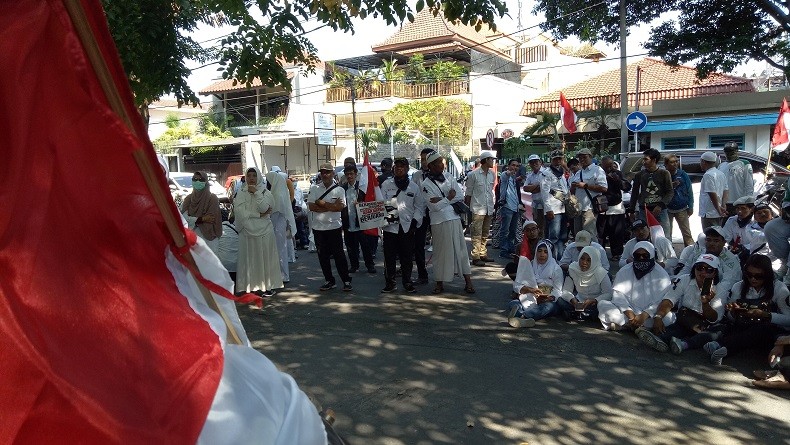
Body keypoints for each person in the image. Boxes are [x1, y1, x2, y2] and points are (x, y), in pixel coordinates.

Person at [704, 254, 790, 365]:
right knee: (728, 328)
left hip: (770, 331)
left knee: (762, 329)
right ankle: (721, 349)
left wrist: (766, 315)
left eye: (758, 276)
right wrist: (733, 312)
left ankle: (723, 347)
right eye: (749, 275)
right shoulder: (738, 287)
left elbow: (788, 320)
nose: (753, 279)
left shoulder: (780, 289)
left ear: (767, 275)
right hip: (743, 326)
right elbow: (731, 318)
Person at [635, 254, 726, 354]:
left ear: (715, 273)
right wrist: (658, 317)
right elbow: (669, 300)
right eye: (700, 268)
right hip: (687, 319)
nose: (703, 272)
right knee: (676, 327)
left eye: (709, 270)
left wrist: (705, 304)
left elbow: (713, 318)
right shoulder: (684, 280)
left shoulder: (720, 290)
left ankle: (683, 344)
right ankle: (660, 339)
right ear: (694, 268)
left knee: (712, 334)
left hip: (706, 325)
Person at [421, 151, 475, 294]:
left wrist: (442, 199)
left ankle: (468, 281)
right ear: (431, 165)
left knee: (461, 251)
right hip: (439, 222)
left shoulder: (449, 176)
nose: (442, 164)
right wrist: (447, 198)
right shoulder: (425, 184)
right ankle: (439, 283)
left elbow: (459, 195)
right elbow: (434, 206)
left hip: (454, 219)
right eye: (439, 162)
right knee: (440, 252)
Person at [598, 242, 671, 331]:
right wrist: (630, 314)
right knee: (602, 305)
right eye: (637, 255)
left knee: (670, 317)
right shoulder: (625, 270)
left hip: (649, 315)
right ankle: (640, 327)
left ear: (652, 256)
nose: (641, 258)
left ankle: (626, 325)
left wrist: (645, 315)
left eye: (645, 256)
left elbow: (662, 300)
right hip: (628, 312)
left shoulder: (662, 274)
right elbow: (618, 295)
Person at [234, 167, 282, 296]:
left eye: (254, 175)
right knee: (250, 259)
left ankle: (267, 286)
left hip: (264, 230)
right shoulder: (241, 192)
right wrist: (257, 215)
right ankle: (250, 286)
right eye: (248, 175)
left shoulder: (266, 193)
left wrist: (256, 192)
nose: (251, 178)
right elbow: (239, 212)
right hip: (247, 231)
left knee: (265, 259)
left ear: (259, 177)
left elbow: (265, 208)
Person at [380, 157, 423, 293]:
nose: (399, 168)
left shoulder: (414, 187)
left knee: (407, 257)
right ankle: (390, 283)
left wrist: (414, 223)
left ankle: (407, 281)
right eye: (397, 166)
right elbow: (380, 204)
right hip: (390, 227)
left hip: (407, 227)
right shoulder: (386, 185)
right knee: (389, 257)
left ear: (407, 169)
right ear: (393, 168)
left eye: (402, 166)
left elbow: (419, 207)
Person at [307, 163, 352, 292]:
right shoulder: (314, 188)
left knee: (339, 256)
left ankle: (346, 280)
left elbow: (340, 207)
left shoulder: (340, 190)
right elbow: (311, 207)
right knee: (323, 257)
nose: (325, 175)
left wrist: (322, 203)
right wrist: (331, 206)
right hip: (318, 229)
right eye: (323, 172)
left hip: (334, 228)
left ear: (333, 173)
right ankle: (329, 280)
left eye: (327, 172)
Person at [506, 241, 565, 328]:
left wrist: (548, 298)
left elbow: (558, 290)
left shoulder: (556, 269)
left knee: (548, 307)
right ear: (536, 253)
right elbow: (517, 285)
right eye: (539, 251)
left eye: (545, 252)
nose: (542, 254)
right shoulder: (530, 265)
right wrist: (531, 290)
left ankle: (523, 317)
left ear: (549, 254)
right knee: (513, 303)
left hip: (548, 301)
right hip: (530, 297)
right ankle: (522, 316)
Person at [559, 246, 613, 321]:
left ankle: (577, 314)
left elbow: (608, 294)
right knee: (560, 300)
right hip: (579, 301)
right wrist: (573, 300)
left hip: (595, 303)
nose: (584, 262)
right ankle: (586, 315)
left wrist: (594, 300)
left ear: (594, 261)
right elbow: (566, 291)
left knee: (604, 306)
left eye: (588, 260)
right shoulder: (573, 269)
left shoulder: (601, 272)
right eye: (582, 258)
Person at [628, 148, 673, 237]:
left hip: (660, 210)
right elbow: (635, 193)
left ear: (654, 160)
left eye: (646, 159)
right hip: (644, 210)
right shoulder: (639, 175)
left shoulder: (664, 173)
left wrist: (660, 205)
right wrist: (631, 210)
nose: (643, 162)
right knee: (643, 235)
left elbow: (670, 192)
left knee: (664, 236)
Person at [341, 165, 377, 274]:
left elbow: (370, 201)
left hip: (360, 222)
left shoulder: (361, 187)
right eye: (347, 174)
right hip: (348, 221)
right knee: (351, 247)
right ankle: (354, 265)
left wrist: (362, 204)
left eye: (351, 174)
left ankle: (370, 265)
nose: (349, 176)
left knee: (365, 246)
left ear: (356, 174)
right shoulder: (343, 188)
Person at [465, 150, 497, 266]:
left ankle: (483, 253)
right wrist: (467, 209)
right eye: (491, 159)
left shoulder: (492, 174)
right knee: (476, 233)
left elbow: (490, 190)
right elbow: (468, 193)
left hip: (488, 207)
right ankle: (475, 256)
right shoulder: (473, 175)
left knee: (485, 232)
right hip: (477, 208)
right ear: (485, 160)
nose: (493, 161)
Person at [569, 148, 607, 243]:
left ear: (590, 157)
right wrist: (573, 188)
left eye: (584, 157)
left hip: (590, 208)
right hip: (578, 209)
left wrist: (585, 185)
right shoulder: (578, 172)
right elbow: (572, 191)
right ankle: (580, 256)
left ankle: (594, 254)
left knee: (589, 234)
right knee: (578, 235)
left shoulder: (597, 170)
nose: (582, 159)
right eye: (580, 158)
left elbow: (604, 188)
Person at [597, 156, 631, 261]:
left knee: (616, 234)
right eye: (606, 166)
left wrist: (618, 180)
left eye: (610, 166)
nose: (608, 168)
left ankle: (617, 254)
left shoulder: (617, 174)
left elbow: (627, 187)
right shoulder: (597, 173)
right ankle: (599, 254)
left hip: (616, 208)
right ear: (602, 165)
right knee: (600, 234)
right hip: (601, 208)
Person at [265, 171, 297, 284]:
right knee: (281, 250)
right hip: (279, 226)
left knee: (279, 251)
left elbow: (275, 212)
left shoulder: (277, 194)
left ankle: (282, 275)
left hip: (277, 226)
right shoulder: (278, 192)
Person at [411, 147, 436, 284]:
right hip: (421, 212)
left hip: (436, 212)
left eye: (426, 159)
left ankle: (441, 274)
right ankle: (422, 274)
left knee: (439, 243)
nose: (424, 162)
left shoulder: (441, 175)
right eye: (422, 159)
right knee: (419, 244)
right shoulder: (416, 176)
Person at [180, 171, 222, 253]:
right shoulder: (188, 199)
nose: (198, 182)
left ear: (206, 182)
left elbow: (211, 218)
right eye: (195, 179)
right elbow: (184, 219)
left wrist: (193, 219)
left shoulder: (212, 198)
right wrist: (201, 219)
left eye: (201, 179)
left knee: (210, 264)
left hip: (209, 238)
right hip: (193, 239)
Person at [542, 150, 570, 259]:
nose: (558, 161)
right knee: (553, 237)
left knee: (563, 237)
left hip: (563, 209)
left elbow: (564, 190)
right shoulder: (547, 173)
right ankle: (551, 260)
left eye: (560, 158)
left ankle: (560, 259)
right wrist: (548, 209)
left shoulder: (561, 173)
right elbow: (544, 192)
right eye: (556, 159)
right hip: (553, 209)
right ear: (551, 160)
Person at [702, 226, 742, 298]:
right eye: (708, 240)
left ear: (724, 243)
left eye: (716, 241)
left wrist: (706, 293)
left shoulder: (730, 260)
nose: (711, 243)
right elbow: (687, 270)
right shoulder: (700, 253)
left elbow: (727, 284)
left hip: (719, 295)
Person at [665, 153, 694, 246]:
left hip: (681, 207)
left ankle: (690, 252)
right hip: (667, 208)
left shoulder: (682, 174)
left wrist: (691, 206)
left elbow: (690, 190)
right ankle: (668, 253)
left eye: (676, 161)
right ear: (666, 164)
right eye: (672, 162)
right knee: (667, 233)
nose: (675, 164)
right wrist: (671, 186)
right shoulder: (663, 174)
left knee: (686, 233)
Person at [719, 140, 754, 216]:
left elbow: (749, 184)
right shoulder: (721, 166)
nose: (729, 154)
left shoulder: (744, 164)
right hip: (724, 204)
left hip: (739, 203)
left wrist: (748, 202)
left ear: (737, 151)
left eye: (731, 152)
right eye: (727, 152)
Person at [497, 158, 524, 259]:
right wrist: (510, 172)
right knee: (505, 229)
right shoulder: (505, 175)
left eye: (517, 166)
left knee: (513, 230)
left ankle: (511, 248)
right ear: (508, 166)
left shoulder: (514, 179)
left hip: (515, 207)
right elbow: (506, 174)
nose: (515, 168)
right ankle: (503, 250)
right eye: (513, 165)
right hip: (507, 206)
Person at [699, 151, 728, 230]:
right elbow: (726, 190)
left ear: (704, 162)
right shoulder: (721, 174)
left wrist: (718, 209)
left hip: (709, 213)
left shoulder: (708, 175)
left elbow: (712, 193)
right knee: (718, 234)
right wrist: (723, 205)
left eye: (701, 161)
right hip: (718, 211)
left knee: (710, 235)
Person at [523, 154, 546, 238]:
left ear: (540, 162)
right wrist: (537, 186)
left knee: (546, 226)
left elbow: (544, 188)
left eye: (536, 162)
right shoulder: (530, 175)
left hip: (546, 204)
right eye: (532, 162)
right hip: (536, 205)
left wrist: (532, 187)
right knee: (538, 226)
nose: (534, 164)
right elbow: (525, 188)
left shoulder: (546, 173)